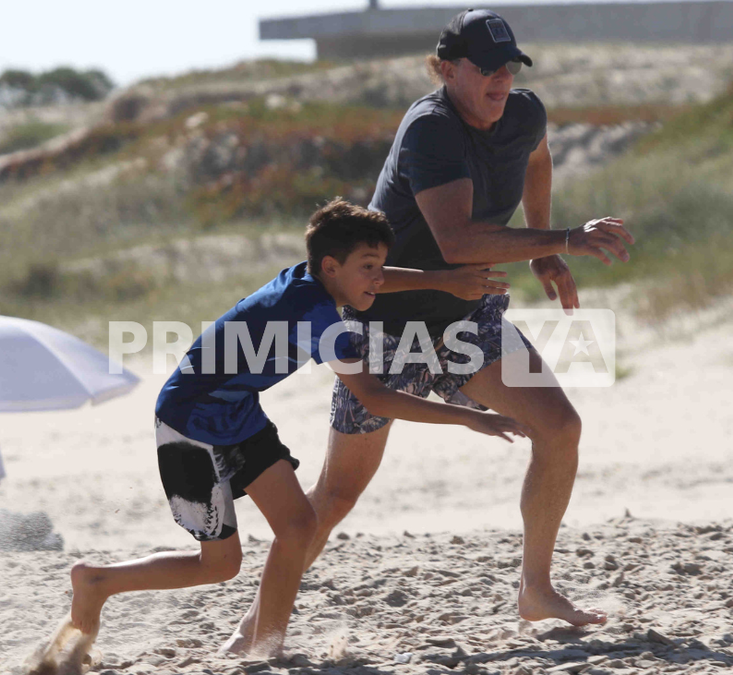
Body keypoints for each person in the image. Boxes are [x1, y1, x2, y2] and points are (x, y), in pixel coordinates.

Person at [227, 8, 636, 647]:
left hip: (466, 315)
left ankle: (536, 588)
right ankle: (257, 628)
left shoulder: (525, 112)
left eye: (508, 67)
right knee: (335, 497)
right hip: (383, 325)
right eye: (484, 69)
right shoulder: (432, 130)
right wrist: (565, 237)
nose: (500, 81)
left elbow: (537, 159)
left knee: (560, 427)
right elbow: (458, 238)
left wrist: (544, 251)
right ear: (448, 68)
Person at [63, 199, 528, 659]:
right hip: (189, 420)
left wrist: (444, 281)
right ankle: (98, 581)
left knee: (299, 525)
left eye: (381, 265)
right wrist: (471, 417)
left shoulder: (315, 281)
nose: (379, 277)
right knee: (221, 565)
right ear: (331, 266)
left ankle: (265, 647)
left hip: (238, 412)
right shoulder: (315, 313)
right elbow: (374, 396)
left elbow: (371, 283)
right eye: (370, 266)